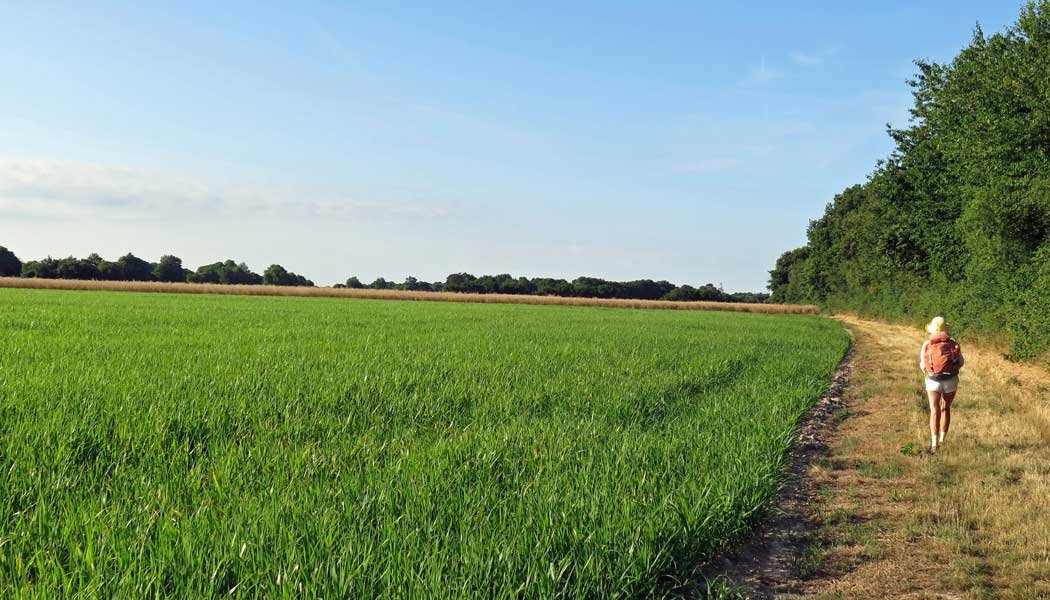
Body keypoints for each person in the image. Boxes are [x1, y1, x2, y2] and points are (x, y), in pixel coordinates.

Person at [919, 316, 964, 453]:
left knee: (934, 410)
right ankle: (942, 440)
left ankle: (934, 444)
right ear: (946, 328)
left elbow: (922, 364)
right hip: (950, 380)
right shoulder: (953, 342)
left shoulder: (927, 343)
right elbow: (961, 362)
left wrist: (928, 374)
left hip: (933, 381)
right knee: (946, 408)